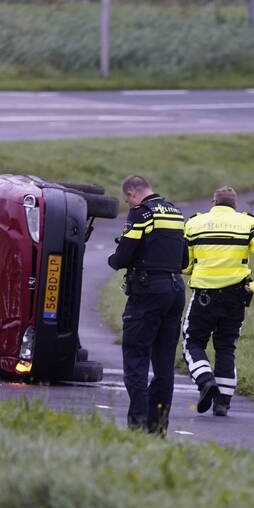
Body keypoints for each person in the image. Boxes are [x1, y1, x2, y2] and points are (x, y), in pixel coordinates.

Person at [107, 175, 188, 436]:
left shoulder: (141, 214)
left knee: (136, 359)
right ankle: (158, 427)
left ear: (131, 194)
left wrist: (114, 259)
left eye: (127, 199)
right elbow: (185, 258)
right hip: (175, 290)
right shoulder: (175, 212)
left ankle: (138, 427)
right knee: (164, 364)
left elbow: (123, 255)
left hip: (148, 292)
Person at [182, 186, 254, 417]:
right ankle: (223, 402)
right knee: (225, 346)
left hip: (204, 295)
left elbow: (185, 263)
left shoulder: (194, 224)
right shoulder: (248, 223)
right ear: (235, 205)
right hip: (236, 295)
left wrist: (194, 268)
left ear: (214, 202)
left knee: (192, 342)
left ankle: (205, 381)